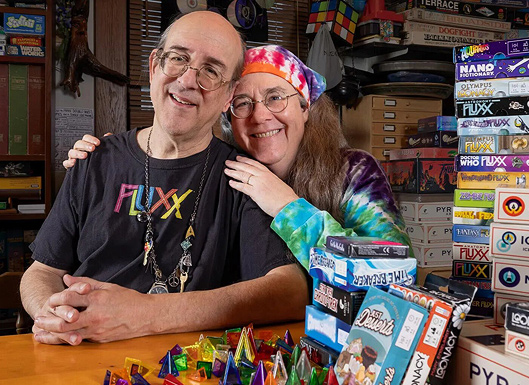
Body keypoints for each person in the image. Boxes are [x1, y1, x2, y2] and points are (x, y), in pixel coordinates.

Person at [21, 12, 309, 346]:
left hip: (184, 373)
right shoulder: (94, 159)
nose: (188, 80)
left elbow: (290, 290)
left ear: (228, 96)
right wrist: (55, 316)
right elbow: (42, 271)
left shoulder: (244, 177)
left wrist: (148, 314)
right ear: (155, 65)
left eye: (211, 71)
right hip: (78, 350)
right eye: (178, 59)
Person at [65, 45, 412, 273]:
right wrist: (104, 160)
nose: (259, 116)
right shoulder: (217, 173)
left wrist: (288, 208)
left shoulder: (352, 171)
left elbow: (398, 268)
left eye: (276, 97)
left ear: (305, 107)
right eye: (242, 103)